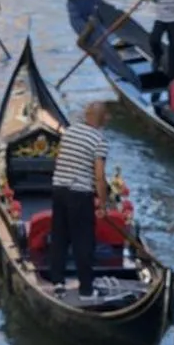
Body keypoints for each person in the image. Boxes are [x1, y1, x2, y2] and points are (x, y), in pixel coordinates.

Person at [50, 100, 109, 301]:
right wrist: (103, 203)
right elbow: (99, 176)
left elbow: (60, 160)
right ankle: (86, 290)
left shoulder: (70, 131)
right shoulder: (99, 140)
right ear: (102, 119)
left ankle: (57, 282)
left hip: (58, 189)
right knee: (83, 241)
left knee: (59, 236)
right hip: (79, 194)